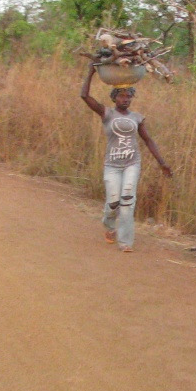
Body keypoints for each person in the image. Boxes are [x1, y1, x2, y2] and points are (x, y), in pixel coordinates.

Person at [80, 63, 172, 252]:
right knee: (113, 202)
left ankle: (125, 242)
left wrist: (162, 163)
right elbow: (85, 96)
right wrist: (90, 73)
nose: (125, 99)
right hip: (112, 165)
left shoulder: (137, 118)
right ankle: (109, 226)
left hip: (132, 163)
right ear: (114, 97)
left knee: (128, 201)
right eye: (121, 96)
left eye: (129, 96)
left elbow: (148, 141)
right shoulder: (107, 113)